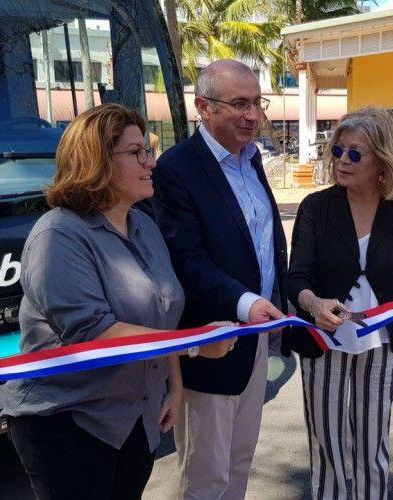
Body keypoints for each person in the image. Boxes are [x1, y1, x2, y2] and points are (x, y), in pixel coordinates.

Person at [1, 103, 235, 500]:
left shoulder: (143, 225)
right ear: (97, 161)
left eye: (149, 150)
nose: (151, 163)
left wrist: (173, 387)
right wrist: (195, 344)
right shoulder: (58, 235)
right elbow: (95, 333)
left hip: (135, 417)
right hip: (68, 419)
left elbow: (163, 316)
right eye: (137, 152)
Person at [285, 107, 393, 500]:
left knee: (372, 447)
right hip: (324, 343)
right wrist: (313, 303)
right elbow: (297, 277)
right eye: (338, 150)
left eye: (355, 153)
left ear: (382, 160)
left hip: (379, 346)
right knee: (328, 448)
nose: (342, 159)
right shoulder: (316, 207)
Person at [151, 59, 288, 499]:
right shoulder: (176, 169)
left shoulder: (251, 160)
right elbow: (185, 259)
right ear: (203, 108)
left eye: (257, 103)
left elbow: (262, 247)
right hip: (210, 345)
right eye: (239, 104)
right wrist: (246, 302)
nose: (252, 115)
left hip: (256, 341)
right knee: (205, 476)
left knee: (239, 463)